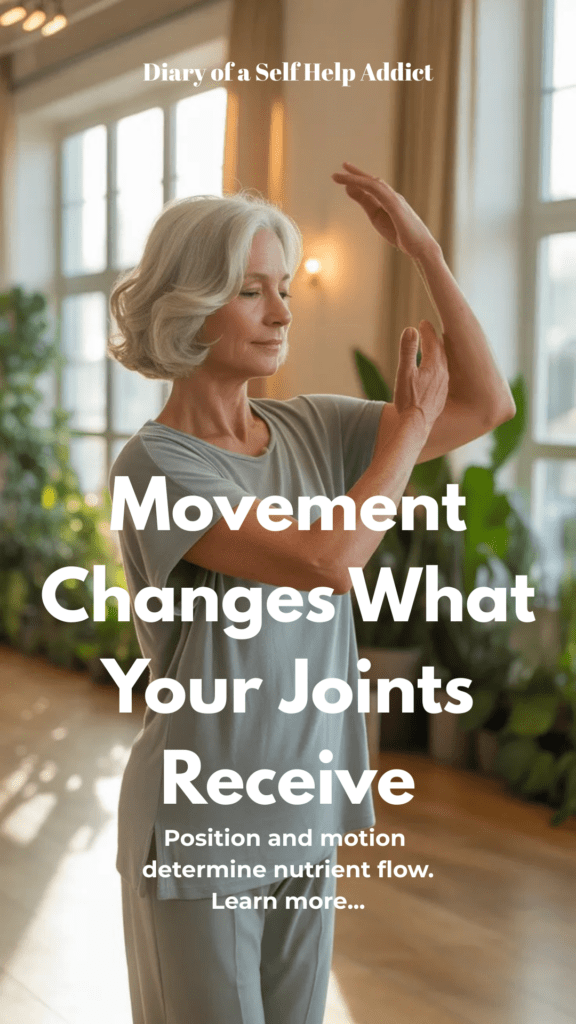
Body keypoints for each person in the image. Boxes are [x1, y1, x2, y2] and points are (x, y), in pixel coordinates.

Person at [108, 162, 515, 1024]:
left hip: (305, 800)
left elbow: (485, 404)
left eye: (284, 288)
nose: (283, 313)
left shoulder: (312, 427)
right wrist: (400, 440)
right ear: (190, 305)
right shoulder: (156, 464)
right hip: (201, 818)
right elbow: (330, 559)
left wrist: (429, 253)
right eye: (251, 292)